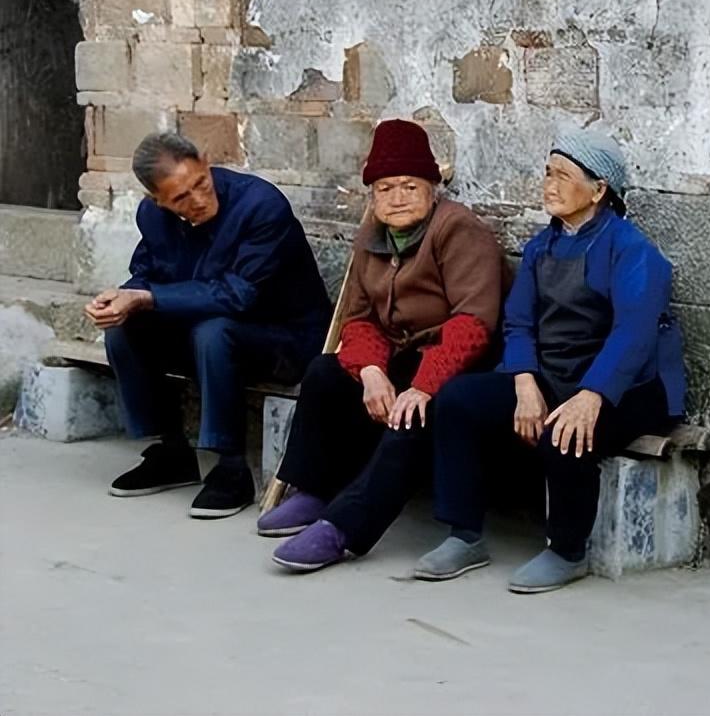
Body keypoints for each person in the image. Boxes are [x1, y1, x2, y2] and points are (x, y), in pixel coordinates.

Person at [411, 126, 686, 593]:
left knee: (568, 432)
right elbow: (519, 323)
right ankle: (464, 534)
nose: (549, 185)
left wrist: (592, 395)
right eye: (547, 172)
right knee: (458, 400)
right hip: (557, 373)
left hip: (633, 384)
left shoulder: (632, 251)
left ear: (599, 190)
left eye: (563, 175)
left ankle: (567, 550)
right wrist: (524, 383)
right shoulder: (542, 247)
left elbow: (633, 336)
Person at [257, 119, 505, 573]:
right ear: (372, 194)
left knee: (413, 414)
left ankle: (345, 528)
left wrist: (423, 386)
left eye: (410, 186)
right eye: (385, 188)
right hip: (398, 354)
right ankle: (314, 490)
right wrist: (370, 371)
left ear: (432, 188)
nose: (397, 198)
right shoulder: (373, 232)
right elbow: (358, 318)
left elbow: (472, 324)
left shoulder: (459, 230)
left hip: (461, 362)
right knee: (324, 374)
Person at [88, 132, 331, 519]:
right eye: (180, 198)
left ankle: (231, 468)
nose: (198, 200)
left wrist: (146, 297)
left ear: (205, 161)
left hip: (286, 339)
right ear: (157, 199)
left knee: (214, 330)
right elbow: (148, 274)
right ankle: (171, 452)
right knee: (125, 327)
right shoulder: (153, 216)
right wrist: (121, 297)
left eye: (200, 183)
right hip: (204, 336)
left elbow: (239, 295)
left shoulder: (260, 205)